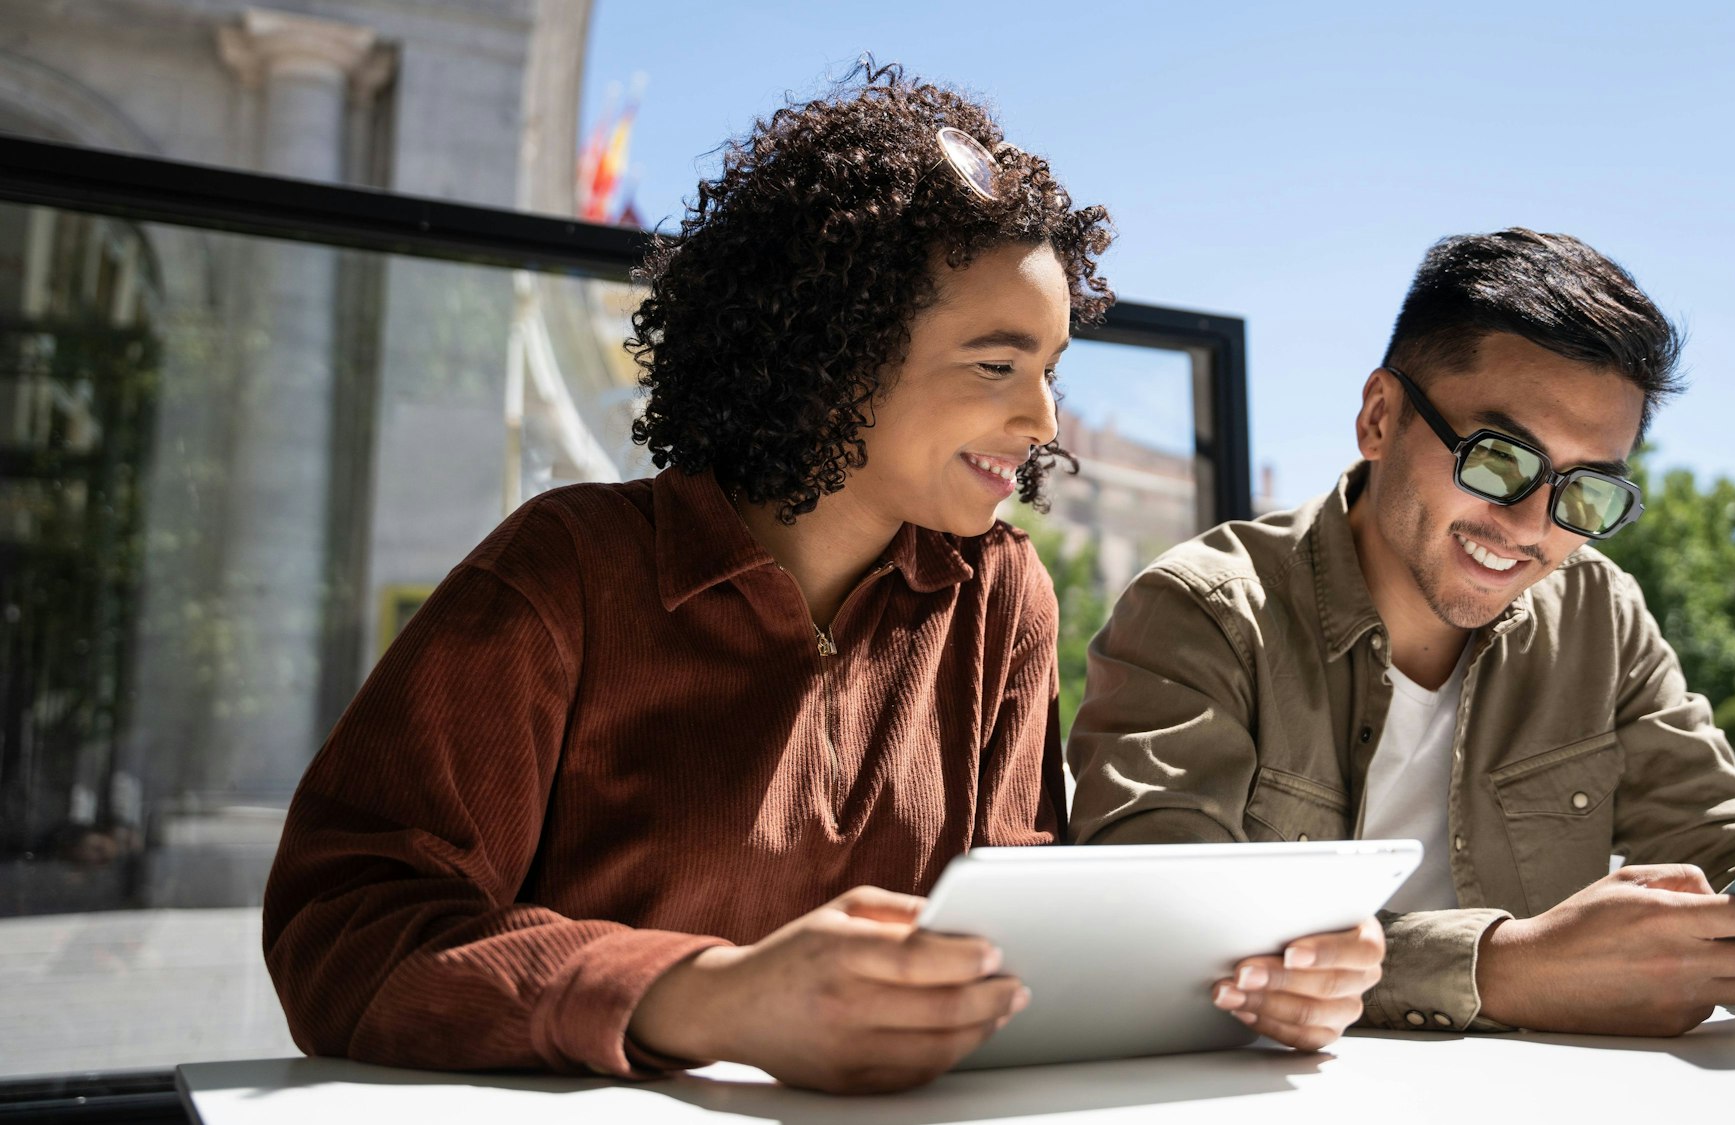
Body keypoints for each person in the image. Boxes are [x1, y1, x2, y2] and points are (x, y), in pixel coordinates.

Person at [263, 63, 1134, 1094]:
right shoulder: (564, 575)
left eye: (1049, 371)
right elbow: (344, 932)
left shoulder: (1000, 599)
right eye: (996, 365)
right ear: (832, 358)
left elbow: (1013, 930)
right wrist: (712, 997)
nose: (1039, 422)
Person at [1067, 229, 1735, 1038]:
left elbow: (1724, 836)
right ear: (1379, 417)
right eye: (1500, 458)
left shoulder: (1598, 613)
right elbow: (1160, 927)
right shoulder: (1203, 613)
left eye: (1586, 494)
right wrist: (1506, 967)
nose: (1530, 524)